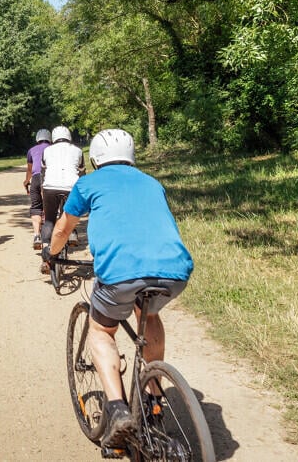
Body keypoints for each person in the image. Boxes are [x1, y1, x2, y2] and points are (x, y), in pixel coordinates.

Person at [43, 129, 194, 449]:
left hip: (121, 273)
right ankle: (154, 398)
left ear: (95, 159)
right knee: (148, 314)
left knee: (101, 331)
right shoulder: (152, 182)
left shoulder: (87, 184)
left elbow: (62, 228)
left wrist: (52, 254)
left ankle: (117, 409)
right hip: (174, 271)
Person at [38, 125, 84, 272]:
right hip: (71, 187)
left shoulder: (47, 150)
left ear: (53, 138)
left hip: (50, 187)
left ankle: (46, 255)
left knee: (49, 220)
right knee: (69, 215)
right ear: (69, 136)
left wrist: (42, 189)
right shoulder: (78, 150)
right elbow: (82, 173)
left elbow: (43, 173)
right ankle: (71, 233)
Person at [24, 128, 52, 250]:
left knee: (36, 207)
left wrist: (26, 181)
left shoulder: (31, 150)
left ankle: (36, 236)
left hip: (35, 178)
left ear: (37, 139)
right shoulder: (53, 149)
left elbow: (30, 169)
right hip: (50, 177)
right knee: (52, 204)